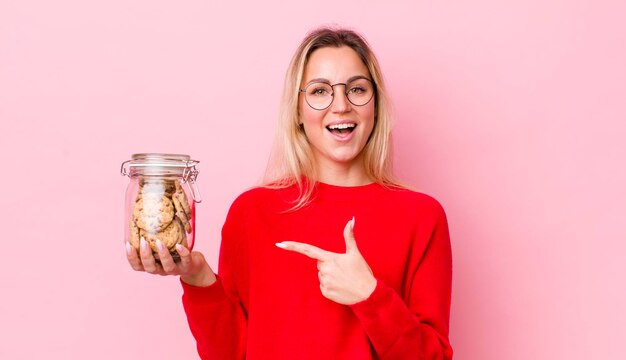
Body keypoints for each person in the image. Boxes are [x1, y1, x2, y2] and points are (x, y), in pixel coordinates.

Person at [126, 26, 453, 359]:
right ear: (297, 110)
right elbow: (232, 353)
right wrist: (197, 277)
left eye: (357, 89)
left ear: (376, 106)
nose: (340, 106)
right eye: (319, 91)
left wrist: (369, 295)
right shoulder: (252, 212)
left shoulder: (421, 217)